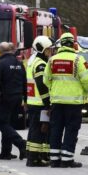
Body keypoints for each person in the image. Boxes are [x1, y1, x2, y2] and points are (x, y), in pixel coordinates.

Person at [43, 32, 88, 168]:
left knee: (56, 130)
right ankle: (66, 159)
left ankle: (54, 159)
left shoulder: (52, 60)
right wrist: (84, 92)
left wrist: (54, 91)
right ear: (73, 44)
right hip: (74, 104)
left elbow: (45, 80)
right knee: (71, 131)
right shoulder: (79, 60)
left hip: (57, 103)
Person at [0, 42, 27, 160]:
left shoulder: (0, 64)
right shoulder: (19, 63)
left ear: (0, 52)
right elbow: (25, 82)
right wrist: (25, 99)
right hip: (18, 98)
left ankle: (21, 143)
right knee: (8, 123)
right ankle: (6, 152)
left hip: (5, 98)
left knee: (2, 123)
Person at [25, 35, 54, 167]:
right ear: (42, 50)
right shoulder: (41, 65)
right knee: (39, 131)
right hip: (39, 104)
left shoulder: (32, 62)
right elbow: (42, 87)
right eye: (48, 50)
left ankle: (32, 156)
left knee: (33, 130)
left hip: (32, 102)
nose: (50, 52)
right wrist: (48, 104)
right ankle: (34, 159)